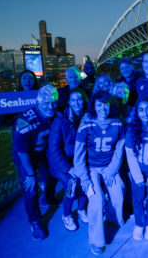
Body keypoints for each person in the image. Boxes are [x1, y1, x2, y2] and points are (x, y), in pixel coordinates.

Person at [74, 91, 125, 255]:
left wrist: (112, 170)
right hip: (92, 168)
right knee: (96, 200)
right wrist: (85, 179)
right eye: (99, 104)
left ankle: (111, 219)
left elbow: (119, 149)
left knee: (118, 193)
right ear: (94, 106)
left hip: (109, 166)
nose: (102, 108)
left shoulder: (117, 123)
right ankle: (96, 239)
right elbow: (79, 155)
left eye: (105, 104)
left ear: (110, 104)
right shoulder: (86, 123)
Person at [12, 85, 59, 240]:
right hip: (25, 156)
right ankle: (35, 221)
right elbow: (21, 151)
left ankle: (47, 198)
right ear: (38, 103)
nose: (50, 106)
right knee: (30, 187)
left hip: (42, 153)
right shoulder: (25, 120)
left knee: (51, 175)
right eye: (46, 103)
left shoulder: (55, 114)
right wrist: (31, 174)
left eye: (53, 102)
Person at [48, 88, 89, 231]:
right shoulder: (61, 121)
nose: (77, 102)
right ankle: (66, 214)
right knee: (72, 182)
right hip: (60, 162)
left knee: (86, 178)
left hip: (78, 160)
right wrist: (68, 168)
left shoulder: (87, 116)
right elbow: (54, 150)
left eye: (79, 99)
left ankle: (81, 209)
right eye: (73, 100)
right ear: (69, 102)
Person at [125, 98, 148, 241]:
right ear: (137, 112)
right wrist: (137, 176)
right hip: (138, 170)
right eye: (141, 109)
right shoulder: (132, 129)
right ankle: (139, 224)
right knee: (137, 198)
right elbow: (130, 153)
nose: (145, 113)